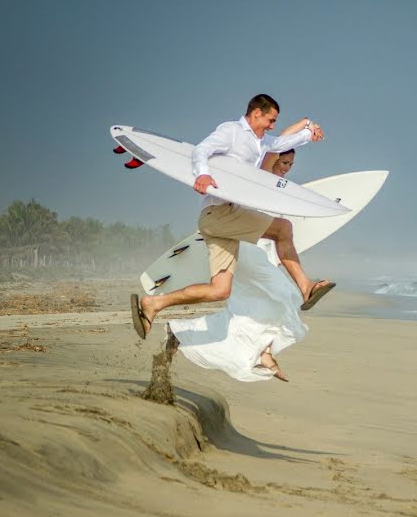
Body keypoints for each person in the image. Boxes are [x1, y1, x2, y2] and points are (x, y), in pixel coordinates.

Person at [131, 94, 335, 341]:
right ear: (256, 113)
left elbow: (281, 144)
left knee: (220, 290)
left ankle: (153, 304)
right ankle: (305, 287)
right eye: (270, 120)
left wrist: (307, 134)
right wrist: (203, 175)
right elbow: (202, 150)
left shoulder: (260, 142)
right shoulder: (232, 131)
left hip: (221, 221)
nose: (271, 125)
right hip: (220, 212)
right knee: (283, 229)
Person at [162, 146, 309, 381]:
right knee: (287, 296)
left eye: (290, 165)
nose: (286, 170)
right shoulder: (259, 176)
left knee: (256, 310)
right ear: (271, 161)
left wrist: (274, 260)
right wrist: (305, 129)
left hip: (258, 249)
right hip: (246, 247)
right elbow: (274, 148)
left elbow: (265, 225)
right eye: (284, 163)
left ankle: (182, 332)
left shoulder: (274, 187)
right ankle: (264, 353)